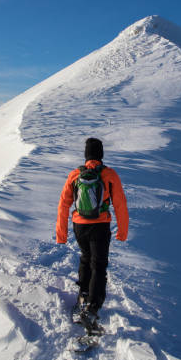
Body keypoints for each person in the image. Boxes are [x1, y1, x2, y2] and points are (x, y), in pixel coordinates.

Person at [56, 137, 129, 326]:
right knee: (99, 264)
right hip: (100, 225)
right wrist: (122, 231)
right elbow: (120, 204)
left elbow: (63, 205)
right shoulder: (109, 174)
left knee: (86, 258)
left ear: (86, 154)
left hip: (79, 225)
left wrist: (61, 234)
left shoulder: (75, 175)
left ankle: (83, 296)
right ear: (101, 154)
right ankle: (93, 307)